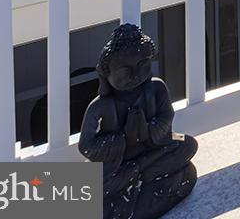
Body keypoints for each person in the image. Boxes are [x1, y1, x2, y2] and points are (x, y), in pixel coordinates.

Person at [78, 24, 198, 219]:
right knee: (90, 184)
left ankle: (137, 186)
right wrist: (123, 138)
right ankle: (139, 186)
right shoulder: (100, 107)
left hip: (153, 152)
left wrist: (149, 130)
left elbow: (167, 115)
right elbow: (87, 147)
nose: (135, 76)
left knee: (188, 145)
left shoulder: (157, 89)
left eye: (142, 66)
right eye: (125, 71)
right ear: (106, 73)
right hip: (119, 166)